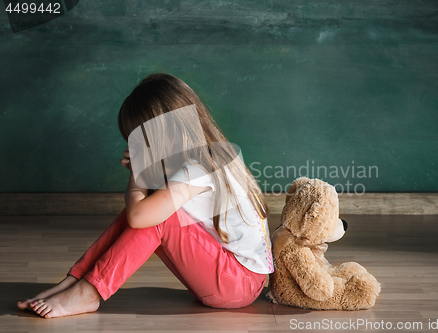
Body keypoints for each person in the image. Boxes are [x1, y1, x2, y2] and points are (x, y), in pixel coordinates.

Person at [17, 73, 274, 318]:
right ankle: (75, 282)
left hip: (239, 284)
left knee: (155, 217)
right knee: (149, 211)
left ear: (168, 132)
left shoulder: (198, 168)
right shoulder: (206, 156)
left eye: (139, 140)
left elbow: (141, 217)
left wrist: (139, 173)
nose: (133, 146)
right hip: (235, 279)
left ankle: (89, 292)